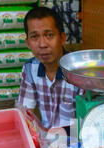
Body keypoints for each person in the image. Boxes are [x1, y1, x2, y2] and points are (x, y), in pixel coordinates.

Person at [16, 6, 83, 135]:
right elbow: (25, 114)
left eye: (49, 35)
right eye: (34, 37)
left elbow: (86, 121)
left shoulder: (78, 73)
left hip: (76, 139)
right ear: (28, 43)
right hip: (47, 138)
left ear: (62, 38)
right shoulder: (30, 69)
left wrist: (62, 141)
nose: (42, 44)